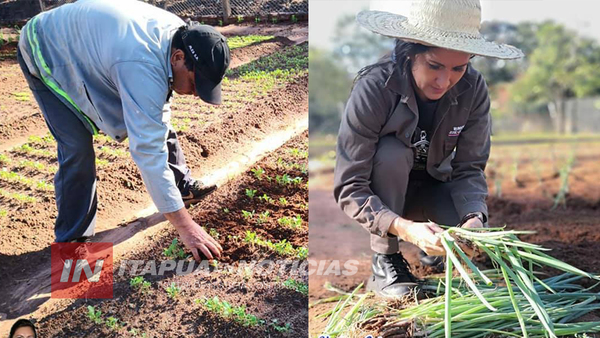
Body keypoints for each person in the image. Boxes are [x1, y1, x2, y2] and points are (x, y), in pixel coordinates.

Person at [333, 0, 524, 298]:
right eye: (434, 65)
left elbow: (469, 168)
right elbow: (350, 185)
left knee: (458, 229)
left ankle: (435, 249)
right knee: (392, 153)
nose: (443, 81)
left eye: (458, 68)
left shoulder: (473, 89)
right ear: (410, 53)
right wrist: (404, 229)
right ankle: (385, 260)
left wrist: (474, 217)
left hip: (435, 186)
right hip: (387, 191)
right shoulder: (375, 87)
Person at [17, 0, 228, 261]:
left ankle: (180, 185)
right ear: (178, 58)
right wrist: (186, 227)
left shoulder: (181, 38)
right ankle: (72, 245)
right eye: (197, 83)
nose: (197, 93)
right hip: (46, 48)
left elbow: (152, 118)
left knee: (151, 115)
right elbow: (147, 149)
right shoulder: (141, 61)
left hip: (93, 47)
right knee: (77, 146)